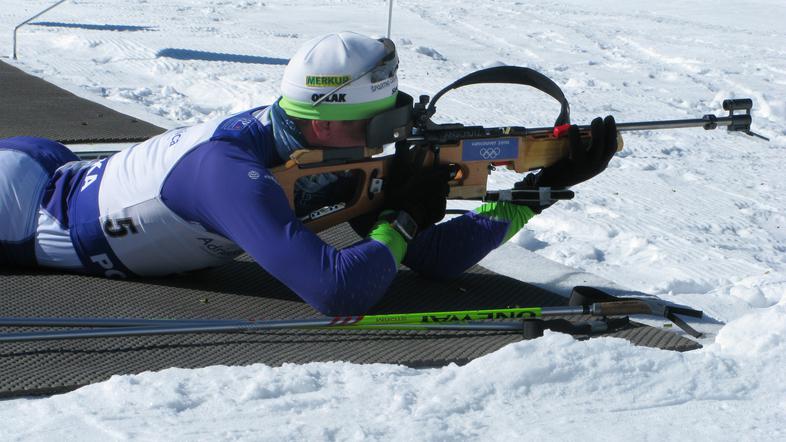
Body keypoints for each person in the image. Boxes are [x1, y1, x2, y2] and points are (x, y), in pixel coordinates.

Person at [0, 32, 617, 315]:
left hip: (70, 170)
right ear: (324, 125)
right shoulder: (224, 171)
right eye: (381, 125)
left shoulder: (322, 151)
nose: (395, 136)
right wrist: (400, 216)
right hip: (25, 209)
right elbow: (337, 290)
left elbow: (428, 260)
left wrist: (529, 198)